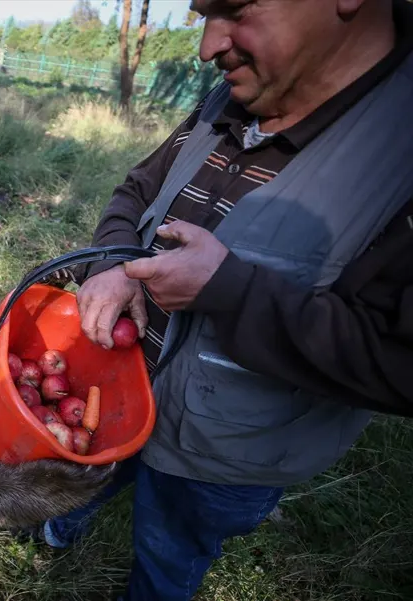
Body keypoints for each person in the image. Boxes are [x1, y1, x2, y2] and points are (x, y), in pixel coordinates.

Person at [39, 1, 413, 600]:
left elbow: (399, 360)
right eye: (203, 13)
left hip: (223, 457)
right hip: (123, 384)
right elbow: (138, 190)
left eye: (235, 7)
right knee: (91, 472)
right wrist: (113, 262)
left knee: (170, 549)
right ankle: (64, 524)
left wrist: (229, 293)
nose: (207, 46)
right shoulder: (235, 92)